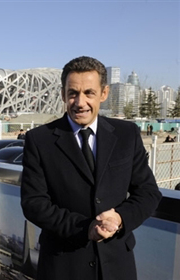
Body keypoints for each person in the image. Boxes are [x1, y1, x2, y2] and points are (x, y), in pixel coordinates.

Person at [21, 56, 162, 280]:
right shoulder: (39, 140)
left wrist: (120, 218)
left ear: (103, 94)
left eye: (89, 93)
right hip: (63, 265)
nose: (80, 102)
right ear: (63, 94)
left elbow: (148, 192)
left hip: (117, 264)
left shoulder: (127, 135)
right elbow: (33, 203)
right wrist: (84, 228)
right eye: (73, 93)